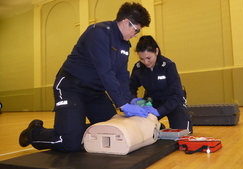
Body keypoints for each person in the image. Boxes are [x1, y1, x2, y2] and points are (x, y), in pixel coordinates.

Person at [19, 2, 151, 153]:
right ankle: (33, 133)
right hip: (71, 87)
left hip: (95, 93)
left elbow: (121, 76)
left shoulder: (124, 45)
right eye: (136, 30)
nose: (136, 35)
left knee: (112, 128)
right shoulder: (99, 33)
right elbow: (105, 72)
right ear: (126, 22)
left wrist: (129, 101)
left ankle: (76, 129)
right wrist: (123, 105)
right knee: (70, 143)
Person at [129, 36, 193, 133]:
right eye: (142, 59)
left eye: (148, 58)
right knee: (141, 129)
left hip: (173, 102)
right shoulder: (138, 68)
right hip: (152, 101)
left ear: (156, 51)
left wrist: (159, 111)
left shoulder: (168, 65)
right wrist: (133, 99)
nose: (146, 62)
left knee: (182, 132)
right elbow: (130, 87)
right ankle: (159, 126)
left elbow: (178, 94)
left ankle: (186, 116)